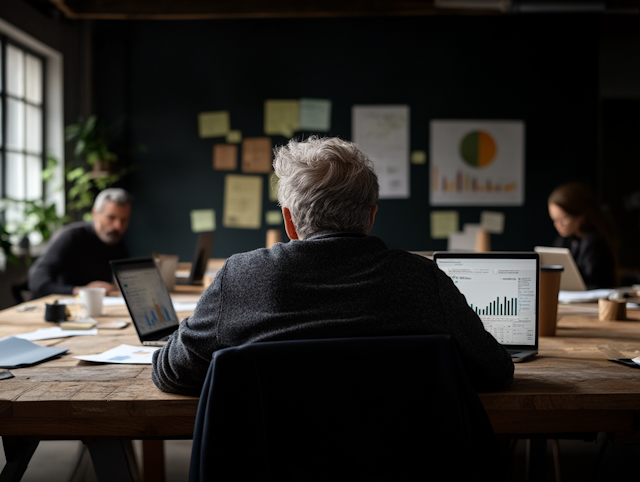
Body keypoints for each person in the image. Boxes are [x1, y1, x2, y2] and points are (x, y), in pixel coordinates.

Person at [152, 137, 514, 396]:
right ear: (371, 216)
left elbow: (172, 373)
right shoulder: (422, 279)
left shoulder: (242, 277)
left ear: (290, 222)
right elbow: (496, 372)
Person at [29, 188, 132, 298]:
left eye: (124, 220)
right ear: (95, 213)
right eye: (111, 217)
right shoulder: (71, 236)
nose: (118, 226)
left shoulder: (117, 241)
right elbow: (36, 280)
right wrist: (80, 291)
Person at [548, 182, 616, 289]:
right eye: (554, 220)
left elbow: (592, 281)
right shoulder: (563, 241)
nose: (557, 225)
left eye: (562, 219)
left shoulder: (594, 243)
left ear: (580, 215)